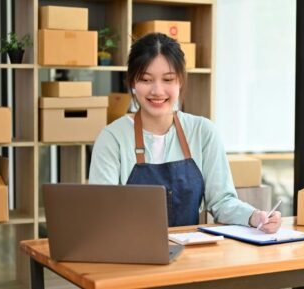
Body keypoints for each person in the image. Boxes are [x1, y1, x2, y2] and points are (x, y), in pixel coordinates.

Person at [89, 33, 281, 233]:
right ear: (132, 83)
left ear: (180, 81)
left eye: (168, 79)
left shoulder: (203, 132)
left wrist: (254, 216)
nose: (157, 90)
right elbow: (102, 212)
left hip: (190, 254)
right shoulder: (112, 138)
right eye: (146, 80)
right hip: (131, 253)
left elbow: (222, 202)